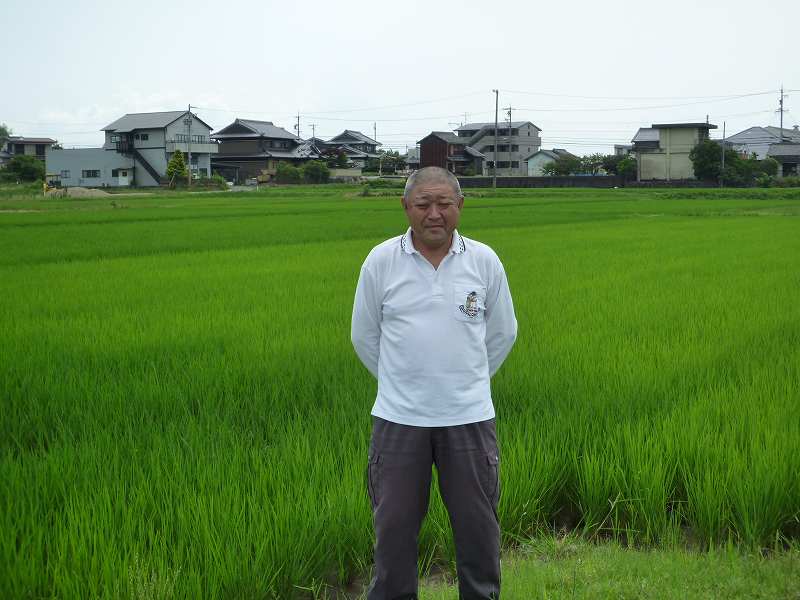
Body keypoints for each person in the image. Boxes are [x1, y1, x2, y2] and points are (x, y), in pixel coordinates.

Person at [351, 166, 518, 600]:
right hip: (399, 421)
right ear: (405, 207)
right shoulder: (381, 261)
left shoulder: (484, 261)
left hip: (469, 420)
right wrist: (401, 382)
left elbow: (502, 334)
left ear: (460, 206)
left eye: (444, 203)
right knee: (393, 532)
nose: (434, 214)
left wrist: (468, 381)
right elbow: (365, 336)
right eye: (423, 204)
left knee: (479, 531)